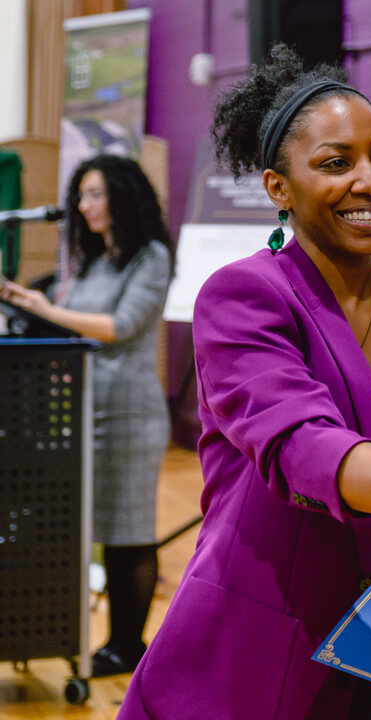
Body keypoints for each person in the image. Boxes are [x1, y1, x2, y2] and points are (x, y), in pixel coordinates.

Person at [116, 45, 371, 719]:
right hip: (264, 644)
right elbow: (308, 452)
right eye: (337, 164)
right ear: (278, 188)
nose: (370, 181)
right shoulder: (244, 297)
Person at [2, 154, 173, 678]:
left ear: (123, 195)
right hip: (79, 412)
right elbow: (64, 321)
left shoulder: (151, 257)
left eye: (95, 194)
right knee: (85, 530)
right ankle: (75, 634)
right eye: (81, 195)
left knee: (128, 532)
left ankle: (127, 646)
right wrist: (25, 302)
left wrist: (46, 309)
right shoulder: (95, 259)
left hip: (129, 416)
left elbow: (117, 326)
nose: (84, 205)